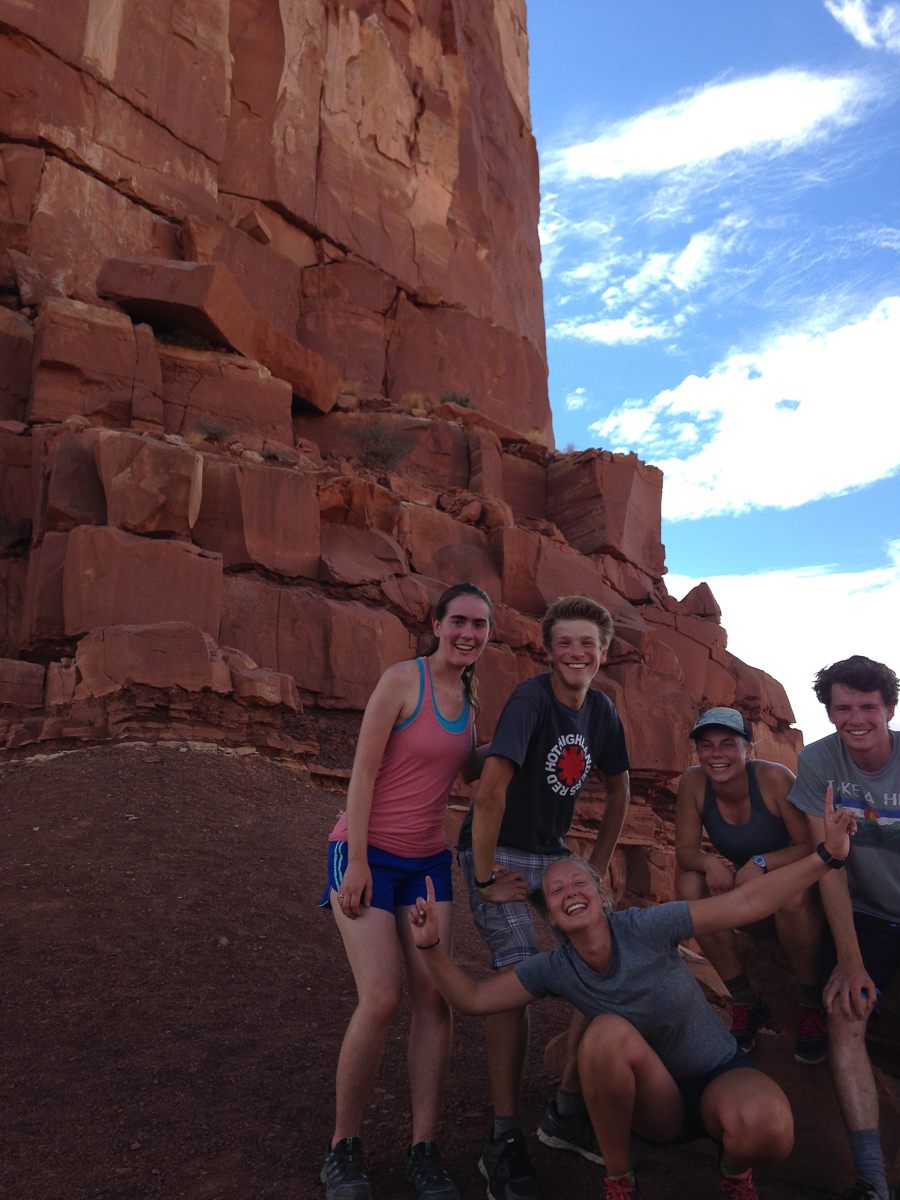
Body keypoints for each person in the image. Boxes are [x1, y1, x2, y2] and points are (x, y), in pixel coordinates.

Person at [409, 790, 856, 1200]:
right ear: (554, 920)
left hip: (717, 1073)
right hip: (655, 1103)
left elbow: (745, 904)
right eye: (557, 891)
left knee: (771, 1130)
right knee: (602, 1033)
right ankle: (620, 1181)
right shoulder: (555, 968)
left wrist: (826, 857)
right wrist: (429, 947)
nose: (570, 894)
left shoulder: (646, 926)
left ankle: (734, 1171)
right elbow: (470, 998)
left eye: (580, 883)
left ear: (602, 897)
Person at [319, 583, 494, 1200]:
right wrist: (359, 860)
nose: (468, 633)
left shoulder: (470, 701)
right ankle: (343, 1147)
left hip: (426, 861)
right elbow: (363, 771)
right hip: (366, 852)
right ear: (438, 623)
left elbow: (471, 767)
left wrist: (526, 738)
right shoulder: (402, 681)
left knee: (432, 997)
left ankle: (424, 1150)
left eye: (480, 625)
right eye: (459, 622)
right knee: (384, 996)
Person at [456, 594, 631, 1200]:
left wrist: (598, 864)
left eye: (589, 643)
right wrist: (483, 877)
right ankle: (503, 1138)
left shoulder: (602, 711)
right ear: (548, 649)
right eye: (566, 642)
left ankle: (566, 1108)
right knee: (518, 969)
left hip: (552, 851)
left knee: (603, 954)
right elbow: (490, 792)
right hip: (497, 848)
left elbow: (620, 787)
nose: (577, 653)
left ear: (602, 652)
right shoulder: (532, 700)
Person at [788, 655, 900, 1200]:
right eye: (843, 708)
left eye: (867, 707)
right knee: (844, 1012)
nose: (855, 718)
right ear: (830, 712)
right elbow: (829, 866)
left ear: (890, 709)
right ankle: (872, 1180)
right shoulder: (818, 762)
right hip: (868, 915)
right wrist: (850, 960)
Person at [675, 706, 825, 1062]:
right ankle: (746, 1002)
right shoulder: (694, 782)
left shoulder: (774, 779)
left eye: (728, 744)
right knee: (689, 886)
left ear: (749, 750)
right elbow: (684, 851)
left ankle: (810, 1007)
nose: (716, 755)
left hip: (800, 900)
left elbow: (810, 848)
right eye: (707, 746)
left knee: (791, 895)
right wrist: (710, 862)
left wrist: (763, 862)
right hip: (752, 902)